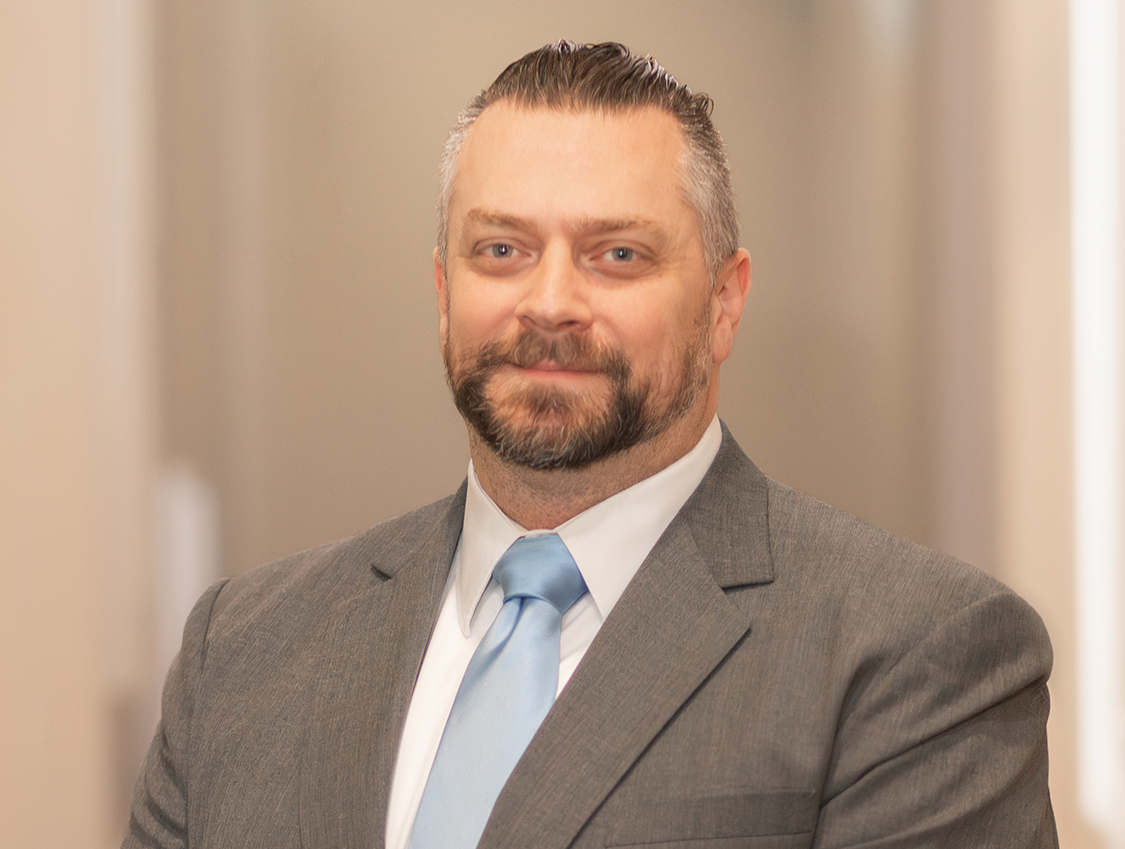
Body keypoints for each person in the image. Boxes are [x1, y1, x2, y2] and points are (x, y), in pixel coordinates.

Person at [123, 41, 1057, 848]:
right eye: (501, 250)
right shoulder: (240, 650)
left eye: (617, 254)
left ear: (723, 303)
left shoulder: (920, 653)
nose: (550, 303)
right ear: (444, 294)